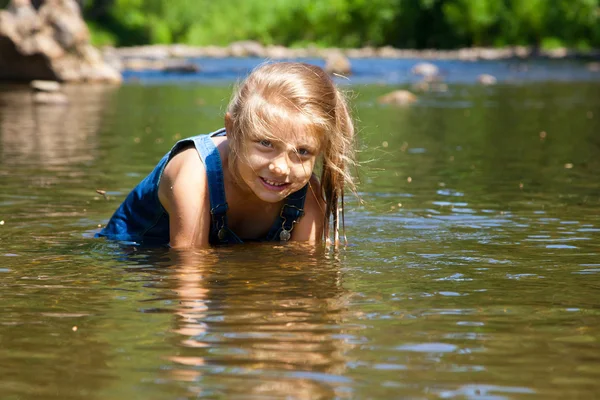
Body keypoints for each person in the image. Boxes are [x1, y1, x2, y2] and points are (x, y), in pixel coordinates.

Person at [96, 62, 356, 248]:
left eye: (302, 152)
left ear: (320, 151)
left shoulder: (308, 198)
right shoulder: (194, 176)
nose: (281, 168)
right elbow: (188, 276)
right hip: (137, 253)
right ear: (233, 130)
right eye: (266, 143)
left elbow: (302, 275)